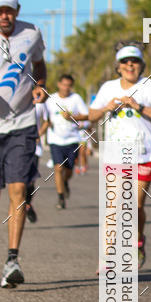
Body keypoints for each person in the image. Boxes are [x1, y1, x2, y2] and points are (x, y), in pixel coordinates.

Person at [89, 44, 151, 266]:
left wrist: (138, 106)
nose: (130, 65)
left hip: (145, 153)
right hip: (116, 153)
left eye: (134, 61)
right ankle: (106, 258)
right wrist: (106, 107)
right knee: (113, 206)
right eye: (125, 61)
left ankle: (138, 239)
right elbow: (91, 116)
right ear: (118, 66)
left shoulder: (149, 86)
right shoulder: (108, 87)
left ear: (141, 65)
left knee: (134, 205)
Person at [0, 0, 47, 287]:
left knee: (18, 190)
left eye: (9, 10)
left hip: (22, 123)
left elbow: (40, 65)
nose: (4, 16)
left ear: (17, 10)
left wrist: (40, 85)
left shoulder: (32, 33)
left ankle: (11, 260)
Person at [46, 74, 88, 209]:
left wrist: (73, 117)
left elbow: (86, 116)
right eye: (64, 85)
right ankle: (60, 197)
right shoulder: (51, 99)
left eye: (69, 85)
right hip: (55, 139)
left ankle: (65, 183)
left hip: (72, 140)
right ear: (59, 84)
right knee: (58, 168)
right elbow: (44, 117)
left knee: (68, 170)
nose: (66, 88)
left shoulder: (76, 99)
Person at [25, 99, 50, 224]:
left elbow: (47, 121)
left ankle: (27, 204)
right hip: (13, 146)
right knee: (17, 182)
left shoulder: (40, 102)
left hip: (34, 148)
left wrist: (38, 134)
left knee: (30, 180)